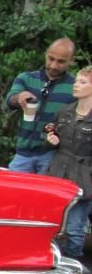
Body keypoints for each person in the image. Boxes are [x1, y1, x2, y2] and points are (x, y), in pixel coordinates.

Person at [5, 38, 76, 173]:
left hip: (53, 155)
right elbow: (9, 100)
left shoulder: (75, 86)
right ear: (46, 54)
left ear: (71, 61)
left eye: (61, 61)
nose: (54, 65)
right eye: (51, 59)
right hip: (22, 153)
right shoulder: (26, 78)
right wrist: (18, 98)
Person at [46, 65, 92, 263]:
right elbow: (50, 132)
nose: (76, 85)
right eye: (76, 81)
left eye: (82, 82)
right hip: (59, 170)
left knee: (75, 226)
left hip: (84, 174)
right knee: (53, 220)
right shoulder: (65, 111)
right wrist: (50, 138)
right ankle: (55, 257)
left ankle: (73, 260)